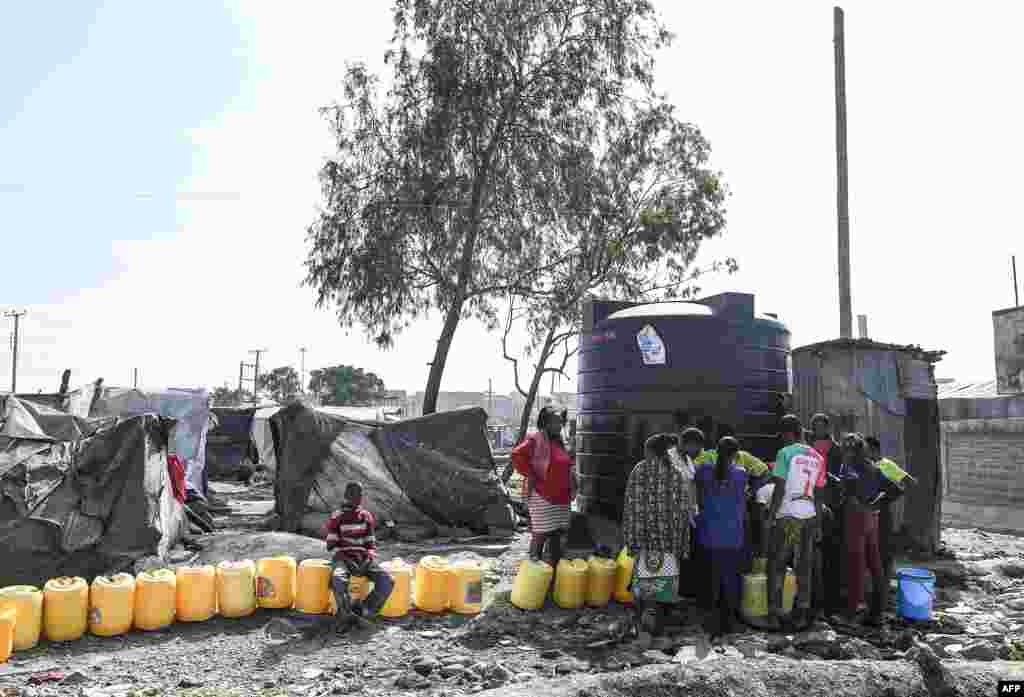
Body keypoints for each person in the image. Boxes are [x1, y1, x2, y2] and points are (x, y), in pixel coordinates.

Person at [623, 433, 692, 639]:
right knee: (666, 581)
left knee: (643, 578)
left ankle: (642, 620)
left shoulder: (639, 469)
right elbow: (683, 508)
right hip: (668, 538)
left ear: (651, 451)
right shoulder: (678, 473)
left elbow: (630, 503)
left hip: (644, 536)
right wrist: (681, 539)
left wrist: (630, 534)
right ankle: (659, 622)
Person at [766, 414, 826, 630]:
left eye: (782, 435)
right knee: (803, 567)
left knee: (777, 565)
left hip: (789, 517)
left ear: (788, 433)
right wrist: (818, 522)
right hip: (809, 518)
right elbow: (819, 494)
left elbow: (780, 488)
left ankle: (774, 615)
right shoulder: (817, 456)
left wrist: (771, 515)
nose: (782, 439)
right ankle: (801, 615)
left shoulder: (785, 453)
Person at [322, 482, 395, 629]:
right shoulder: (337, 517)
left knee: (387, 581)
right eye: (355, 494)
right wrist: (347, 559)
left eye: (360, 494)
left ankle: (365, 611)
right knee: (338, 578)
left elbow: (370, 543)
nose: (359, 497)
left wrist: (368, 558)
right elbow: (332, 546)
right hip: (343, 558)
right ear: (346, 496)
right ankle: (345, 614)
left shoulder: (366, 516)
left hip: (363, 560)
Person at [695, 436, 748, 638]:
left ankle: (709, 623)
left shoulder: (704, 471)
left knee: (710, 578)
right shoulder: (741, 474)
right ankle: (728, 624)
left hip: (709, 532)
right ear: (735, 454)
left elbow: (699, 497)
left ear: (716, 451)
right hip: (732, 534)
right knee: (730, 579)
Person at [511, 406, 575, 567]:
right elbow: (517, 455)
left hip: (561, 498)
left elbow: (567, 466)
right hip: (542, 496)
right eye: (555, 421)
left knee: (557, 536)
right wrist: (532, 474)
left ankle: (554, 574)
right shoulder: (536, 439)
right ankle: (533, 572)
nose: (559, 425)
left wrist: (574, 485)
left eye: (561, 421)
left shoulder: (559, 442)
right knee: (540, 535)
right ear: (545, 423)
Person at [840, 433, 886, 625]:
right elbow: (891, 489)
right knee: (874, 563)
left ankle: (854, 611)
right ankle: (877, 609)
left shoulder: (849, 466)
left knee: (856, 564)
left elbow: (847, 489)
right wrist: (873, 506)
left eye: (846, 448)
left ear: (851, 450)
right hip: (871, 518)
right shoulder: (873, 468)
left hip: (855, 517)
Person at [866, 435, 913, 592]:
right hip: (869, 512)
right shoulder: (867, 467)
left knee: (884, 549)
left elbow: (909, 482)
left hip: (883, 512)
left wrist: (888, 497)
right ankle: (874, 585)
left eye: (866, 450)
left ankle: (884, 586)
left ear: (873, 450)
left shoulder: (886, 465)